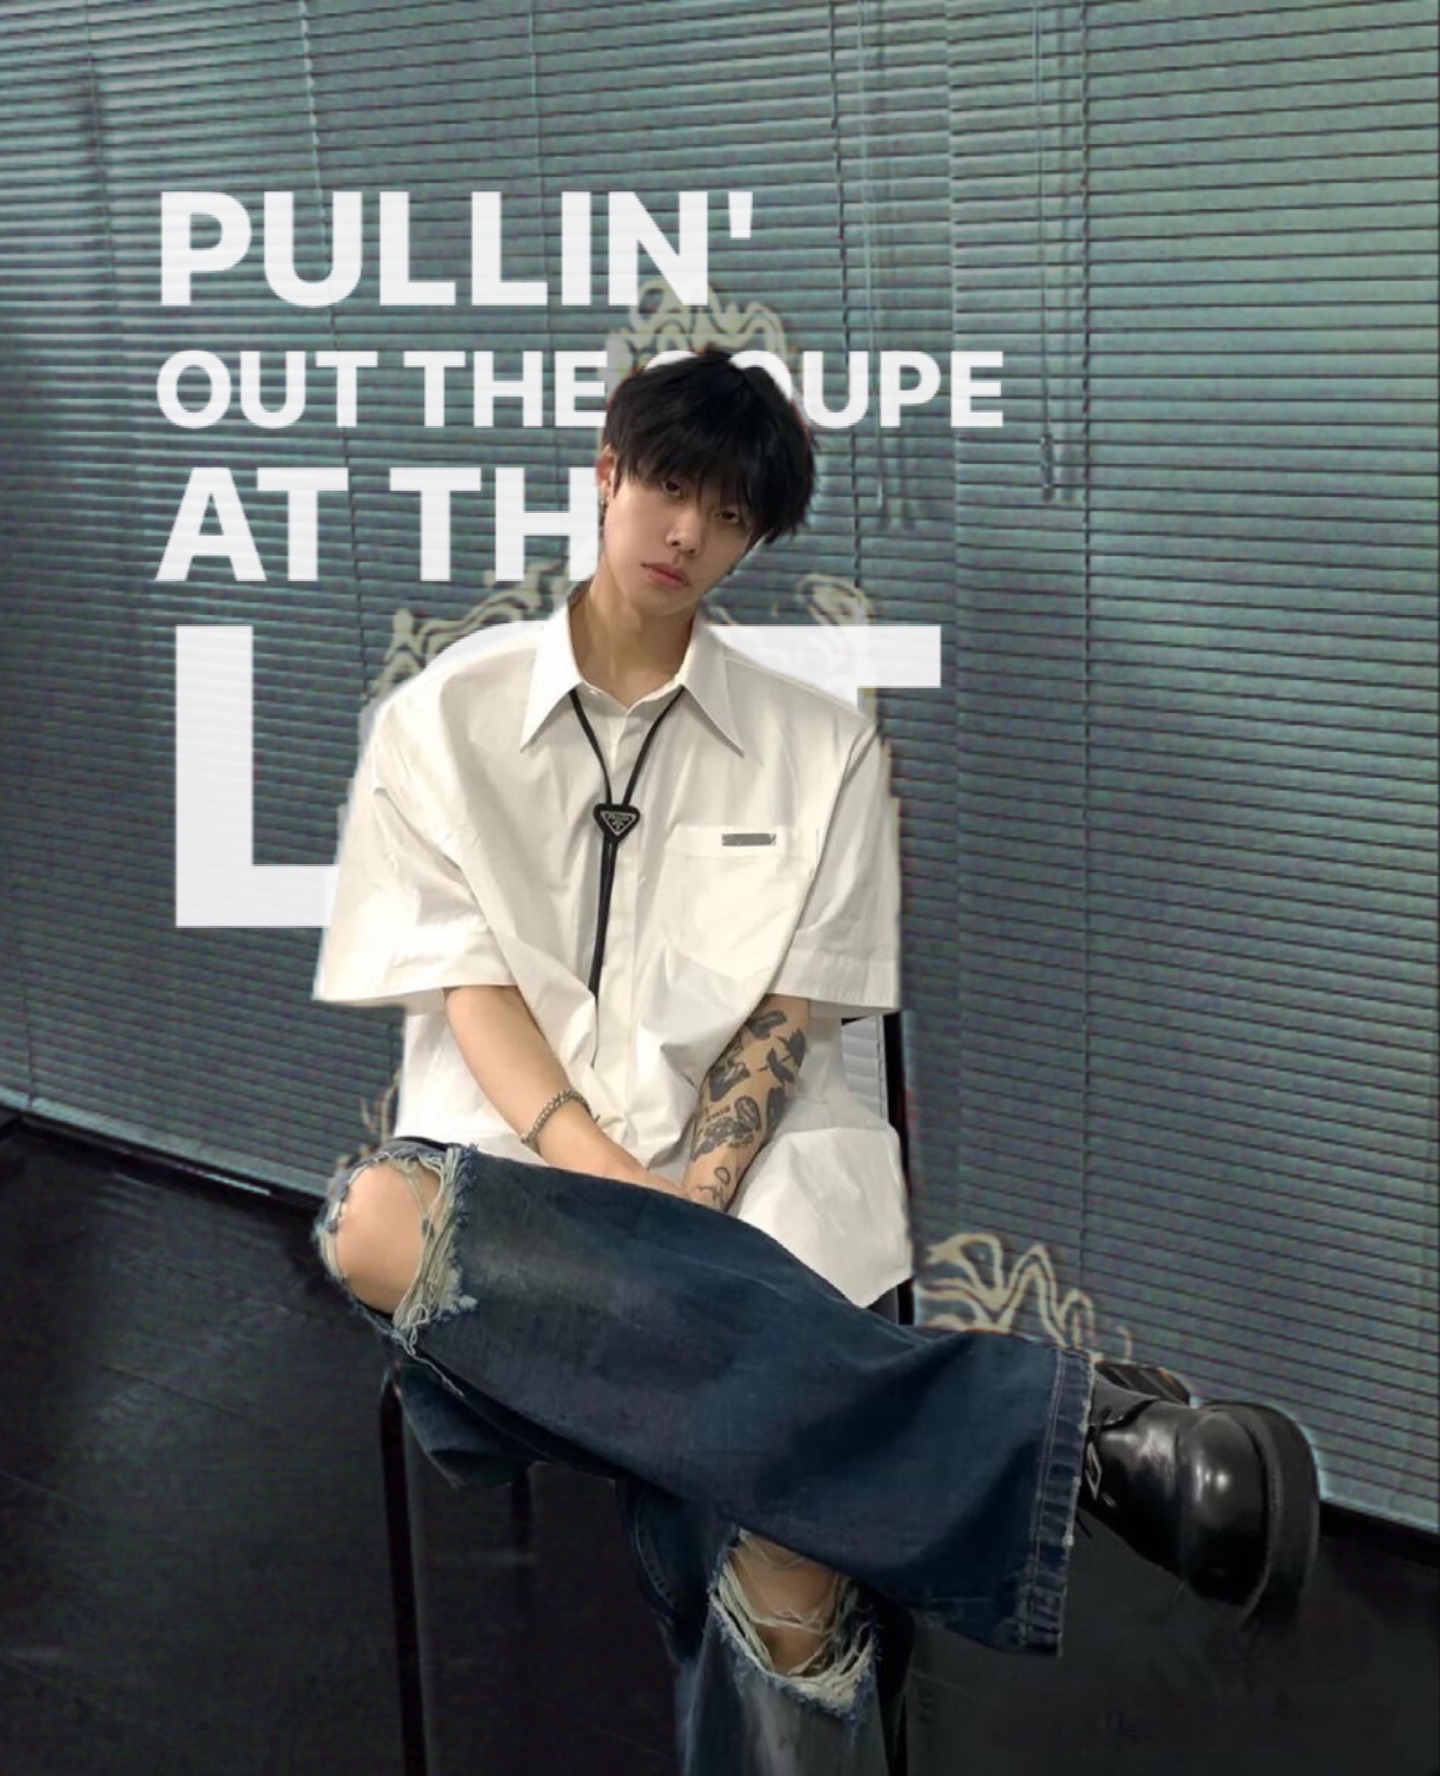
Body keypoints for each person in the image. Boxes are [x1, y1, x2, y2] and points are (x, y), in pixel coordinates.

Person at [311, 347, 1321, 1775]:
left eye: (729, 517)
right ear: (607, 473)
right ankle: (1074, 1445)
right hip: (520, 1187)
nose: (687, 535)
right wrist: (620, 1190)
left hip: (747, 1196)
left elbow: (790, 1017)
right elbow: (471, 989)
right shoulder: (440, 718)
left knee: (785, 1528)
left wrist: (694, 1195)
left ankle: (951, 1453)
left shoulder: (820, 746)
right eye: (669, 488)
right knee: (372, 1221)